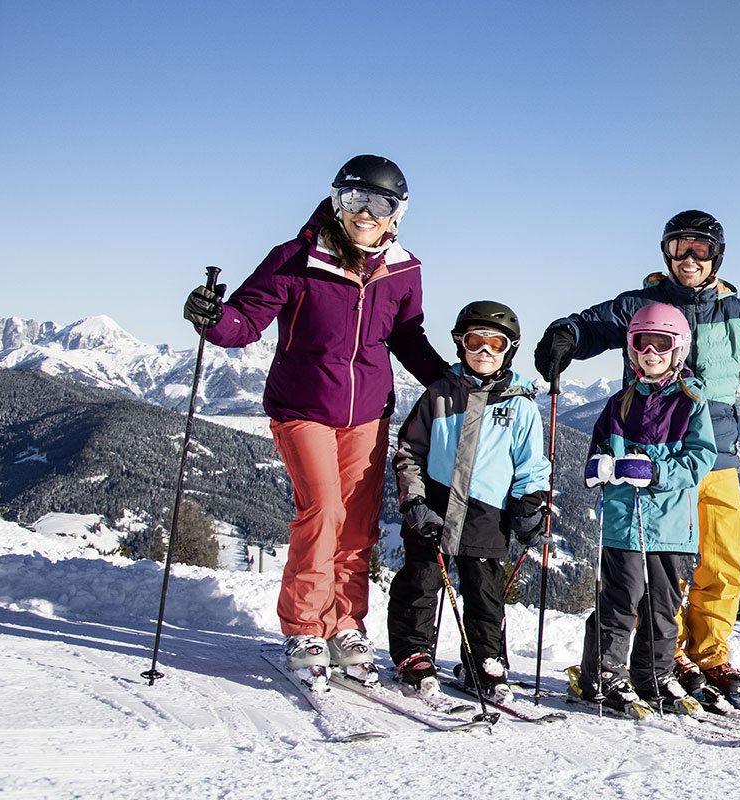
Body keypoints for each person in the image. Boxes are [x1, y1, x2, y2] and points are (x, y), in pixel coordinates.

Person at [535, 210, 740, 707]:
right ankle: (661, 656)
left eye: (700, 249)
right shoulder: (640, 304)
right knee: (655, 563)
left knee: (722, 559)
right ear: (665, 253)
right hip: (649, 459)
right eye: (678, 248)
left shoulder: (739, 314)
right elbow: (587, 325)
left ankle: (710, 652)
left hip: (716, 453)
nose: (688, 258)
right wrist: (564, 336)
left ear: (718, 255)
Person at [182, 155, 445, 683]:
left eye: (381, 204)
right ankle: (304, 626)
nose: (366, 213)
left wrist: (445, 379)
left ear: (398, 214)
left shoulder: (404, 270)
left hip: (367, 412)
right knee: (323, 511)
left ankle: (345, 622)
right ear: (335, 200)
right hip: (302, 408)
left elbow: (406, 336)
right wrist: (213, 319)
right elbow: (245, 320)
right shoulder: (296, 259)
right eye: (354, 199)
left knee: (357, 526)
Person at [388, 301, 552, 703]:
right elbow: (409, 450)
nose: (483, 352)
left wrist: (529, 506)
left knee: (484, 592)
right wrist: (414, 501)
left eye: (494, 344)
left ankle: (485, 659)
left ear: (508, 350)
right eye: (474, 341)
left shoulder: (521, 406)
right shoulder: (440, 394)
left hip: (487, 512)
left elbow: (532, 464)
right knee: (421, 581)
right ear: (460, 344)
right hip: (435, 506)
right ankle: (414, 653)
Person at [574, 303, 717, 716]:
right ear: (631, 348)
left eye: (662, 344)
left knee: (662, 605)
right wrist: (599, 466)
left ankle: (652, 674)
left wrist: (656, 471)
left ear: (679, 349)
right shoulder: (620, 403)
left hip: (671, 524)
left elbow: (698, 461)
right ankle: (603, 673)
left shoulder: (692, 404)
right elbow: (597, 452)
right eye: (642, 343)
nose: (651, 352)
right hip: (623, 523)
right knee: (621, 600)